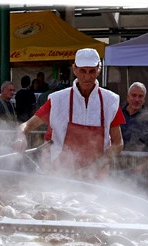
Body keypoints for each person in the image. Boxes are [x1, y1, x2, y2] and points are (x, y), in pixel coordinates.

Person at [15, 48, 125, 180]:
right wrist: (20, 136)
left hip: (96, 176)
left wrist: (95, 166)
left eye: (92, 71)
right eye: (82, 71)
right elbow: (27, 125)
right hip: (61, 174)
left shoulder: (110, 101)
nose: (87, 77)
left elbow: (118, 143)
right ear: (74, 69)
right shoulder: (58, 100)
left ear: (99, 70)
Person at [120, 82, 148, 173]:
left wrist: (144, 165)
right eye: (133, 95)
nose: (137, 99)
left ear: (144, 99)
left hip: (138, 168)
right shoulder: (117, 113)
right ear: (128, 97)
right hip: (116, 165)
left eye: (140, 96)